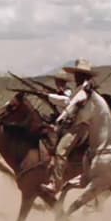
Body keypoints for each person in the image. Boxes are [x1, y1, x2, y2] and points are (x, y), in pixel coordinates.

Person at [41, 59, 98, 197]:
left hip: (80, 126)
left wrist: (48, 96)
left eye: (78, 74)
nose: (75, 77)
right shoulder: (81, 89)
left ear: (83, 76)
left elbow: (68, 103)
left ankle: (56, 185)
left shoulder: (83, 90)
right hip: (74, 124)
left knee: (61, 151)